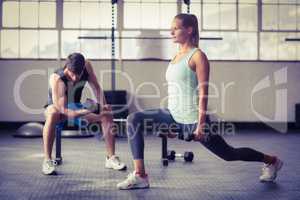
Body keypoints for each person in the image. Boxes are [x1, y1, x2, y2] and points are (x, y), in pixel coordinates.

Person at [117, 13, 283, 190]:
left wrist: (201, 125)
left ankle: (271, 160)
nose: (171, 32)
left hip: (194, 119)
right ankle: (140, 175)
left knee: (228, 154)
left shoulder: (198, 56)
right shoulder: (175, 56)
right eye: (171, 29)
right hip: (172, 115)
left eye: (176, 28)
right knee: (133, 119)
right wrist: (168, 126)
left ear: (189, 30)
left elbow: (204, 92)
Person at [42, 52, 126, 175]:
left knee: (107, 114)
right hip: (58, 108)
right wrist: (87, 110)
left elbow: (96, 88)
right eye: (72, 74)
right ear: (67, 68)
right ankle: (47, 160)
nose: (75, 78)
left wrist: (103, 105)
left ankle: (111, 158)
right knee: (53, 113)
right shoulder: (57, 79)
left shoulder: (87, 66)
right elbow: (63, 110)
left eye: (78, 74)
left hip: (76, 105)